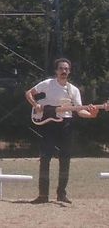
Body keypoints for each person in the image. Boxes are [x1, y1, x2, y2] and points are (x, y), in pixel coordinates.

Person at [25, 58, 98, 204]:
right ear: (56, 71)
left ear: (69, 71)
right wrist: (36, 105)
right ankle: (43, 195)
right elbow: (29, 94)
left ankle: (61, 194)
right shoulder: (47, 84)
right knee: (45, 158)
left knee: (65, 159)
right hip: (49, 124)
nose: (63, 71)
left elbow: (80, 110)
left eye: (66, 69)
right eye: (61, 69)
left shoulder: (74, 90)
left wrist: (92, 114)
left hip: (66, 124)